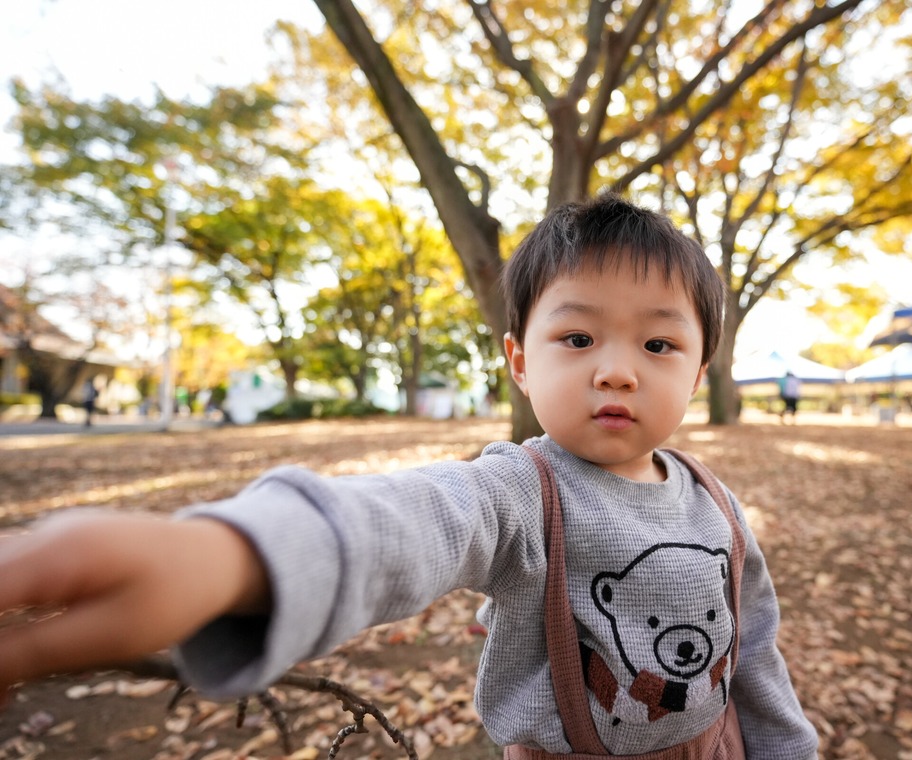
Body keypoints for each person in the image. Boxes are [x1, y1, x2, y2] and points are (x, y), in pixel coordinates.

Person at [0, 196, 817, 759]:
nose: (616, 371)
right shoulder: (520, 495)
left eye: (657, 345)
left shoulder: (715, 503)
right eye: (577, 338)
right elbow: (418, 519)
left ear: (700, 369)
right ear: (518, 361)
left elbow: (754, 654)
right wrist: (239, 558)